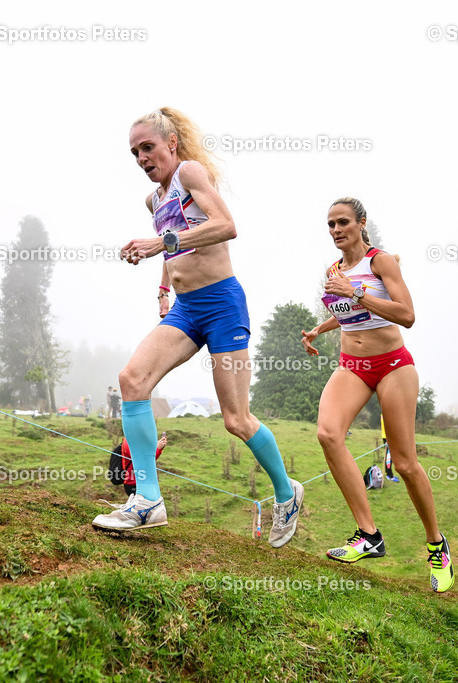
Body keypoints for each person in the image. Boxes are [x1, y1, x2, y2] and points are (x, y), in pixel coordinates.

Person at [92, 107, 303, 547]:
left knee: (236, 419)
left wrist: (158, 245)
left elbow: (225, 226)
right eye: (134, 153)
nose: (141, 159)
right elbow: (176, 248)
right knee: (133, 379)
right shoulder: (153, 201)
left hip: (223, 304)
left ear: (171, 143)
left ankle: (287, 494)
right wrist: (164, 285)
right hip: (186, 308)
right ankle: (148, 500)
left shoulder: (190, 172)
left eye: (147, 147)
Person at [300, 197, 453, 593]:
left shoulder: (381, 262)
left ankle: (437, 545)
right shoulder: (335, 269)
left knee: (404, 463)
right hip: (352, 365)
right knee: (328, 434)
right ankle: (368, 535)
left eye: (343, 222)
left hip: (393, 366)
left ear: (361, 223)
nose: (336, 230)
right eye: (330, 224)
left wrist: (356, 293)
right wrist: (320, 329)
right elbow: (347, 311)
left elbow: (406, 314)